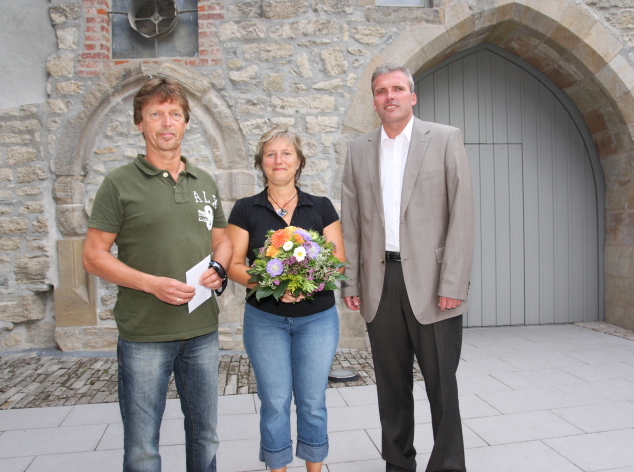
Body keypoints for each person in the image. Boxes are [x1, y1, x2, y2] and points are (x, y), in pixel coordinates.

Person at [82, 77, 232, 472]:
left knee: (205, 435)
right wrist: (150, 283)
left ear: (185, 123)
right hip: (144, 335)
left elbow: (224, 240)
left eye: (175, 115)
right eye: (156, 114)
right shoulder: (118, 184)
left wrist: (219, 267)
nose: (166, 123)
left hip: (202, 331)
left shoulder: (205, 182)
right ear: (140, 124)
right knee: (143, 446)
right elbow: (94, 257)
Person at [341, 63, 474, 472]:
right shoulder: (359, 148)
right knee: (391, 385)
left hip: (434, 284)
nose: (390, 96)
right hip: (381, 282)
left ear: (412, 97)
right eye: (381, 91)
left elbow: (462, 214)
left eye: (397, 89)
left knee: (441, 384)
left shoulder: (445, 139)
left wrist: (453, 280)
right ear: (375, 100)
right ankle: (399, 464)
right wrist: (351, 280)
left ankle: (448, 465)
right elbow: (350, 220)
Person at [226, 125, 345, 472]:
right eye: (270, 154)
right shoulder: (246, 209)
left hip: (317, 319)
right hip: (265, 320)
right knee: (274, 401)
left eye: (286, 153)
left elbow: (336, 263)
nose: (279, 160)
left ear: (299, 162)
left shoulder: (321, 207)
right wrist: (273, 283)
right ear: (261, 163)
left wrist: (303, 284)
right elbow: (233, 264)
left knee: (312, 400)